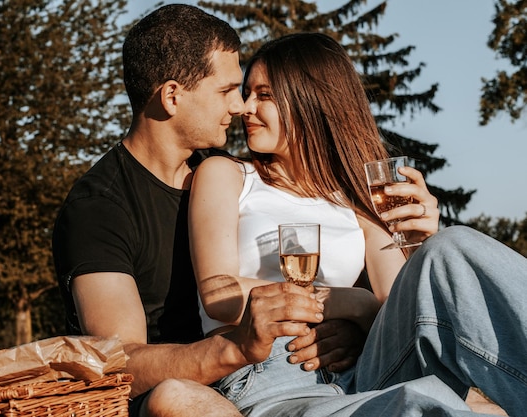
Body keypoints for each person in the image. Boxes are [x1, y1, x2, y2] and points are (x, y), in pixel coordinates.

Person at [52, 6, 370, 417]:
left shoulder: (225, 175)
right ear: (172, 97)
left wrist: (345, 329)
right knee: (177, 399)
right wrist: (234, 348)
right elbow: (121, 361)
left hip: (283, 375)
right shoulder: (99, 208)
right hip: (172, 398)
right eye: (226, 91)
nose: (240, 107)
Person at [189, 32, 527, 416]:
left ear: (309, 100)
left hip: (368, 368)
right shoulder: (228, 174)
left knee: (451, 246)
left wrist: (418, 246)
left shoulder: (357, 198)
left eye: (263, 95)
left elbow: (395, 305)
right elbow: (220, 298)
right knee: (418, 406)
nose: (244, 107)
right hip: (275, 378)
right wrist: (351, 302)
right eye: (248, 93)